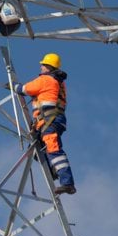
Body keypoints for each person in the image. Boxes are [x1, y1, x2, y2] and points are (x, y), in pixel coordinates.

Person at [12, 53, 76, 195]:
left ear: (48, 67)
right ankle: (54, 171)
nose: (40, 67)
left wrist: (13, 86)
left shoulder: (46, 80)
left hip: (49, 121)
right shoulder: (59, 82)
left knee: (53, 149)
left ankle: (67, 183)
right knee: (37, 150)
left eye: (43, 65)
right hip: (52, 121)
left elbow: (25, 89)